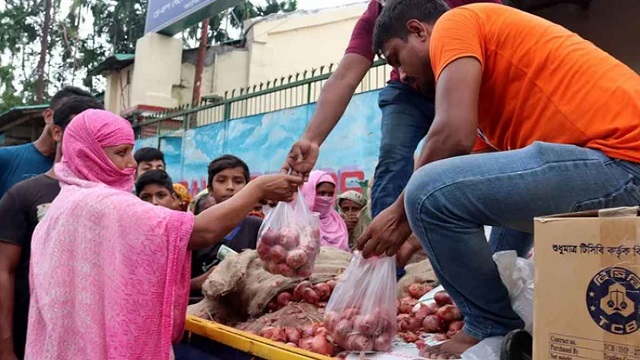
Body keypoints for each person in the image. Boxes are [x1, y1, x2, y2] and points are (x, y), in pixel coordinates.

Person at [357, 0, 640, 358]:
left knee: (425, 189)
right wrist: (417, 234)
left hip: (623, 161)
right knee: (488, 253)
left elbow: (449, 139)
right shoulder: (487, 106)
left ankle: (490, 326)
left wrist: (400, 214)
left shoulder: (454, 24)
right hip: (611, 168)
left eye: (396, 58)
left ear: (418, 30)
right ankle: (500, 321)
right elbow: (480, 184)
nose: (400, 76)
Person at [24, 109, 302, 359]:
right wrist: (257, 190)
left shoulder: (64, 204)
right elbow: (200, 232)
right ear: (89, 154)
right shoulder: (101, 204)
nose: (132, 162)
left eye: (131, 151)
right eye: (121, 152)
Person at [282, 0, 500, 219]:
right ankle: (383, 242)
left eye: (397, 58)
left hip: (459, 80)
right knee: (393, 156)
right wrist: (311, 139)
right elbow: (345, 77)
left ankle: (492, 246)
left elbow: (501, 27)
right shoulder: (374, 17)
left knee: (477, 163)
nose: (401, 70)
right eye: (392, 61)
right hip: (406, 95)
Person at [0, 96, 103, 360]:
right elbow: (4, 271)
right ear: (57, 131)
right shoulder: (24, 193)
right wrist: (5, 346)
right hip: (26, 327)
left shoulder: (111, 199)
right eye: (78, 130)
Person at [0, 86, 94, 198]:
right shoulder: (5, 159)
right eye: (67, 117)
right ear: (48, 116)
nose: (74, 127)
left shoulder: (85, 171)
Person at [190, 155, 264, 294]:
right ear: (210, 189)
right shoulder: (195, 228)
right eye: (222, 181)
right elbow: (176, 283)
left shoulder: (257, 227)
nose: (230, 187)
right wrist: (202, 281)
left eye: (237, 181)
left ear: (248, 188)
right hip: (198, 310)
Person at [300, 170, 349, 251]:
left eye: (330, 194)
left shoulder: (337, 221)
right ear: (310, 192)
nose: (326, 198)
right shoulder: (299, 221)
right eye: (321, 193)